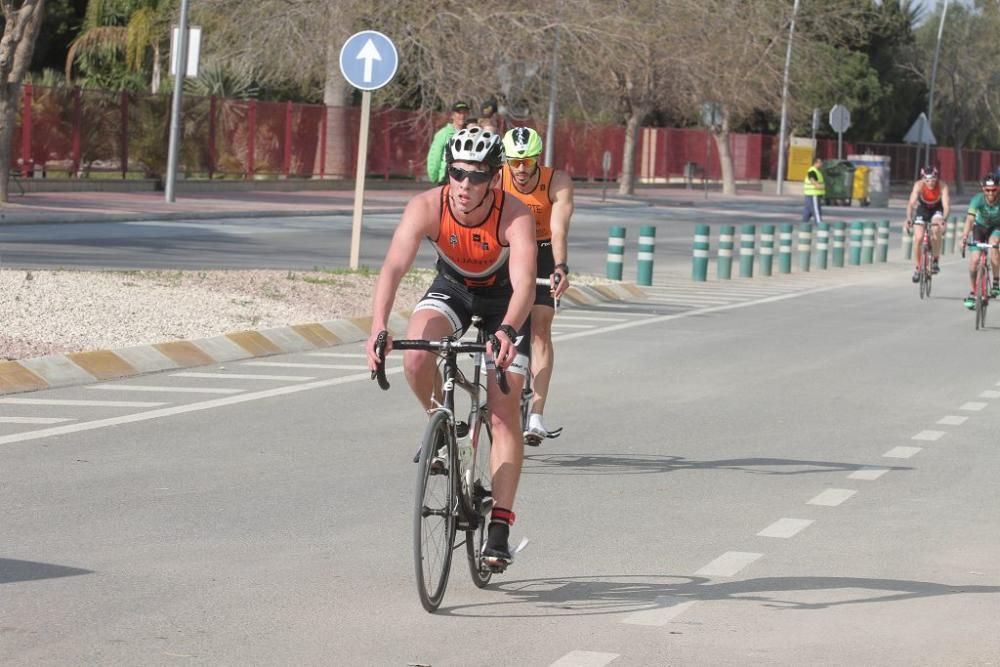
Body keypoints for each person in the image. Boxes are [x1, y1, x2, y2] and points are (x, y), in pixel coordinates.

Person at [367, 127, 537, 569]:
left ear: (494, 178)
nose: (465, 185)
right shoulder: (426, 206)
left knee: (502, 409)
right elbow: (392, 268)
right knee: (418, 353)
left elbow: (523, 287)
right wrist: (379, 326)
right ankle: (441, 425)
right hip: (454, 288)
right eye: (458, 173)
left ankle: (498, 525)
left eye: (477, 176)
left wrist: (505, 331)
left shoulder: (514, 214)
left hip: (505, 300)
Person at [500, 126, 574, 445]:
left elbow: (558, 231)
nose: (519, 169)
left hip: (542, 250)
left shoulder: (556, 181)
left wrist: (559, 267)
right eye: (514, 162)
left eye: (527, 162)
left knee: (540, 328)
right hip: (507, 249)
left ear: (537, 161)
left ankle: (536, 415)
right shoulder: (496, 177)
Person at [959, 174, 1000, 308]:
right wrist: (964, 237)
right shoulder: (977, 199)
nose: (990, 193)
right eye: (987, 190)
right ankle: (973, 291)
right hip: (980, 227)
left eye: (994, 190)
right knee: (974, 260)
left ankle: (995, 283)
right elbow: (970, 219)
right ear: (983, 189)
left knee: (994, 247)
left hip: (996, 227)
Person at [905, 165, 951, 282]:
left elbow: (946, 206)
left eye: (933, 180)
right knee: (919, 238)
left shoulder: (942, 186)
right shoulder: (919, 185)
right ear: (923, 179)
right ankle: (918, 267)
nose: (930, 182)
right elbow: (911, 204)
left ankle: (935, 259)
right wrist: (909, 218)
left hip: (937, 209)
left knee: (936, 230)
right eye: (927, 180)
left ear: (937, 178)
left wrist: (943, 219)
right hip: (923, 210)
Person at [425, 101, 470, 184]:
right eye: (459, 113)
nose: (462, 116)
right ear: (452, 115)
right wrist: (434, 177)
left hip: (465, 180)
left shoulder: (470, 134)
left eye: (465, 113)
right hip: (446, 179)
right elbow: (435, 156)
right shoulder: (443, 134)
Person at [802, 157, 825, 223]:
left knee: (807, 211)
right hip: (813, 194)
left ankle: (803, 225)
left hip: (810, 194)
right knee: (816, 210)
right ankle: (819, 225)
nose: (821, 164)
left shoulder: (817, 171)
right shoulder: (812, 171)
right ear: (815, 163)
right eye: (820, 162)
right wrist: (818, 186)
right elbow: (812, 179)